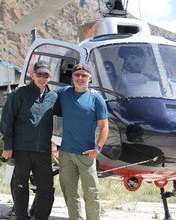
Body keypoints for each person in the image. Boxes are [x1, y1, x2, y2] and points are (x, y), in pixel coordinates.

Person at [0, 60, 59, 220]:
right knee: (20, 186)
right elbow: (7, 120)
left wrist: (89, 91)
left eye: (45, 75)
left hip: (43, 151)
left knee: (46, 189)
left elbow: (70, 102)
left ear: (50, 77)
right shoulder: (19, 94)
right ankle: (22, 217)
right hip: (21, 149)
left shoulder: (54, 97)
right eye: (39, 74)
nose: (42, 78)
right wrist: (8, 146)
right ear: (32, 75)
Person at [56, 63, 109, 220]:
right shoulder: (64, 93)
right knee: (69, 193)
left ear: (90, 78)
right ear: (72, 77)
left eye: (84, 75)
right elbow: (43, 92)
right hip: (65, 153)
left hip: (87, 155)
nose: (80, 78)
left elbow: (104, 126)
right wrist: (23, 87)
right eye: (77, 75)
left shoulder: (96, 99)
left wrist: (97, 149)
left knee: (91, 193)